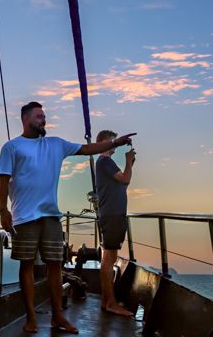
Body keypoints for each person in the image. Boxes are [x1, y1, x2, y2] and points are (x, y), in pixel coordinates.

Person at [0, 102, 133, 334]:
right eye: (39, 117)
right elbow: (2, 182)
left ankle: (58, 316)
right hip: (24, 217)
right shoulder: (12, 147)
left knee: (55, 266)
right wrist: (3, 210)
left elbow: (87, 149)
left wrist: (114, 143)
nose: (44, 120)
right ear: (26, 119)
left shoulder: (55, 144)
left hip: (50, 215)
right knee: (26, 266)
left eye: (44, 116)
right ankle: (30, 317)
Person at [94, 129, 136, 316]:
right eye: (112, 140)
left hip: (111, 214)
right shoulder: (105, 161)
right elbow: (125, 179)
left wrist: (129, 163)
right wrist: (128, 161)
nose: (115, 144)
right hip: (112, 215)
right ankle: (109, 302)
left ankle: (107, 301)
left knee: (108, 258)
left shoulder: (104, 163)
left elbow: (122, 182)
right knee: (109, 259)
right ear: (104, 142)